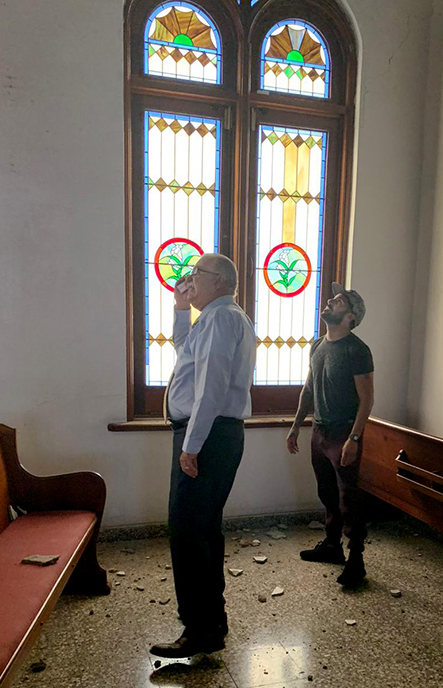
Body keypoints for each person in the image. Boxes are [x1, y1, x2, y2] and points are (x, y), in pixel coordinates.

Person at [150, 253, 256, 659]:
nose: (190, 280)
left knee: (188, 532)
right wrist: (179, 309)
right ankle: (212, 621)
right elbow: (186, 356)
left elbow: (210, 387)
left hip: (207, 436)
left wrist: (191, 446)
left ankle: (200, 629)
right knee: (203, 531)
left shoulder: (220, 318)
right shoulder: (216, 318)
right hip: (212, 434)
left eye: (196, 273)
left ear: (221, 281)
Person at [286, 282, 374, 587]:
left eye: (338, 301)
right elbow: (309, 389)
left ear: (351, 317)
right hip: (319, 431)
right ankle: (332, 546)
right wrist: (297, 425)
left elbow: (367, 399)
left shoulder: (357, 350)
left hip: (343, 433)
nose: (330, 301)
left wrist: (355, 438)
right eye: (333, 298)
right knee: (326, 493)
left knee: (348, 497)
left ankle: (357, 560)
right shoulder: (317, 345)